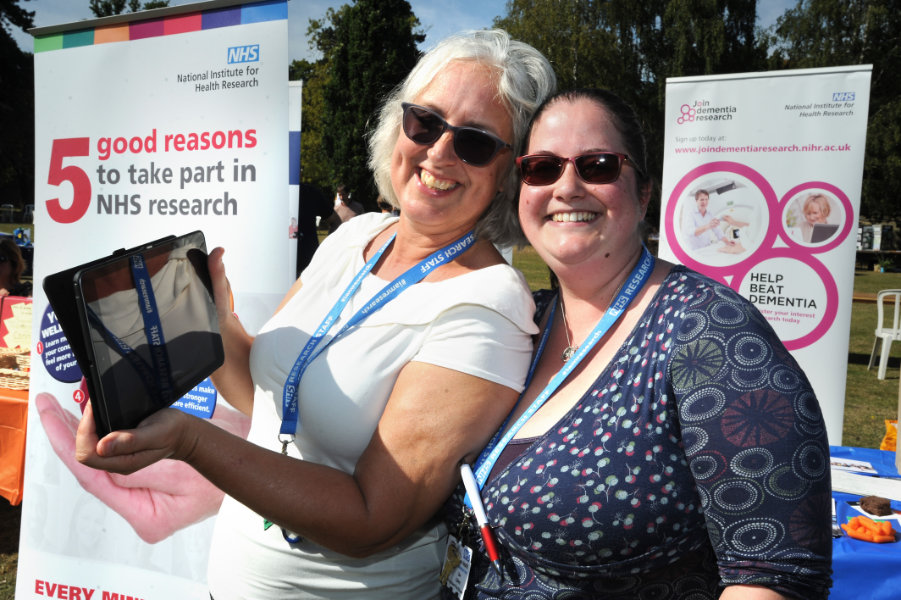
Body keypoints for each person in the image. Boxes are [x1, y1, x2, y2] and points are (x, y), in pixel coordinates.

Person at [72, 29, 556, 599]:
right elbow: (265, 399)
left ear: (507, 172)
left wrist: (190, 441)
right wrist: (214, 319)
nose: (439, 152)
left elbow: (374, 520)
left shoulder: (488, 304)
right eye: (424, 122)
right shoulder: (356, 235)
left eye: (475, 142)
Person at [443, 88, 832, 599]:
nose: (567, 187)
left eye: (598, 165)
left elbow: (774, 576)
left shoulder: (713, 333)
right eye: (541, 167)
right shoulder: (523, 319)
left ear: (644, 193)